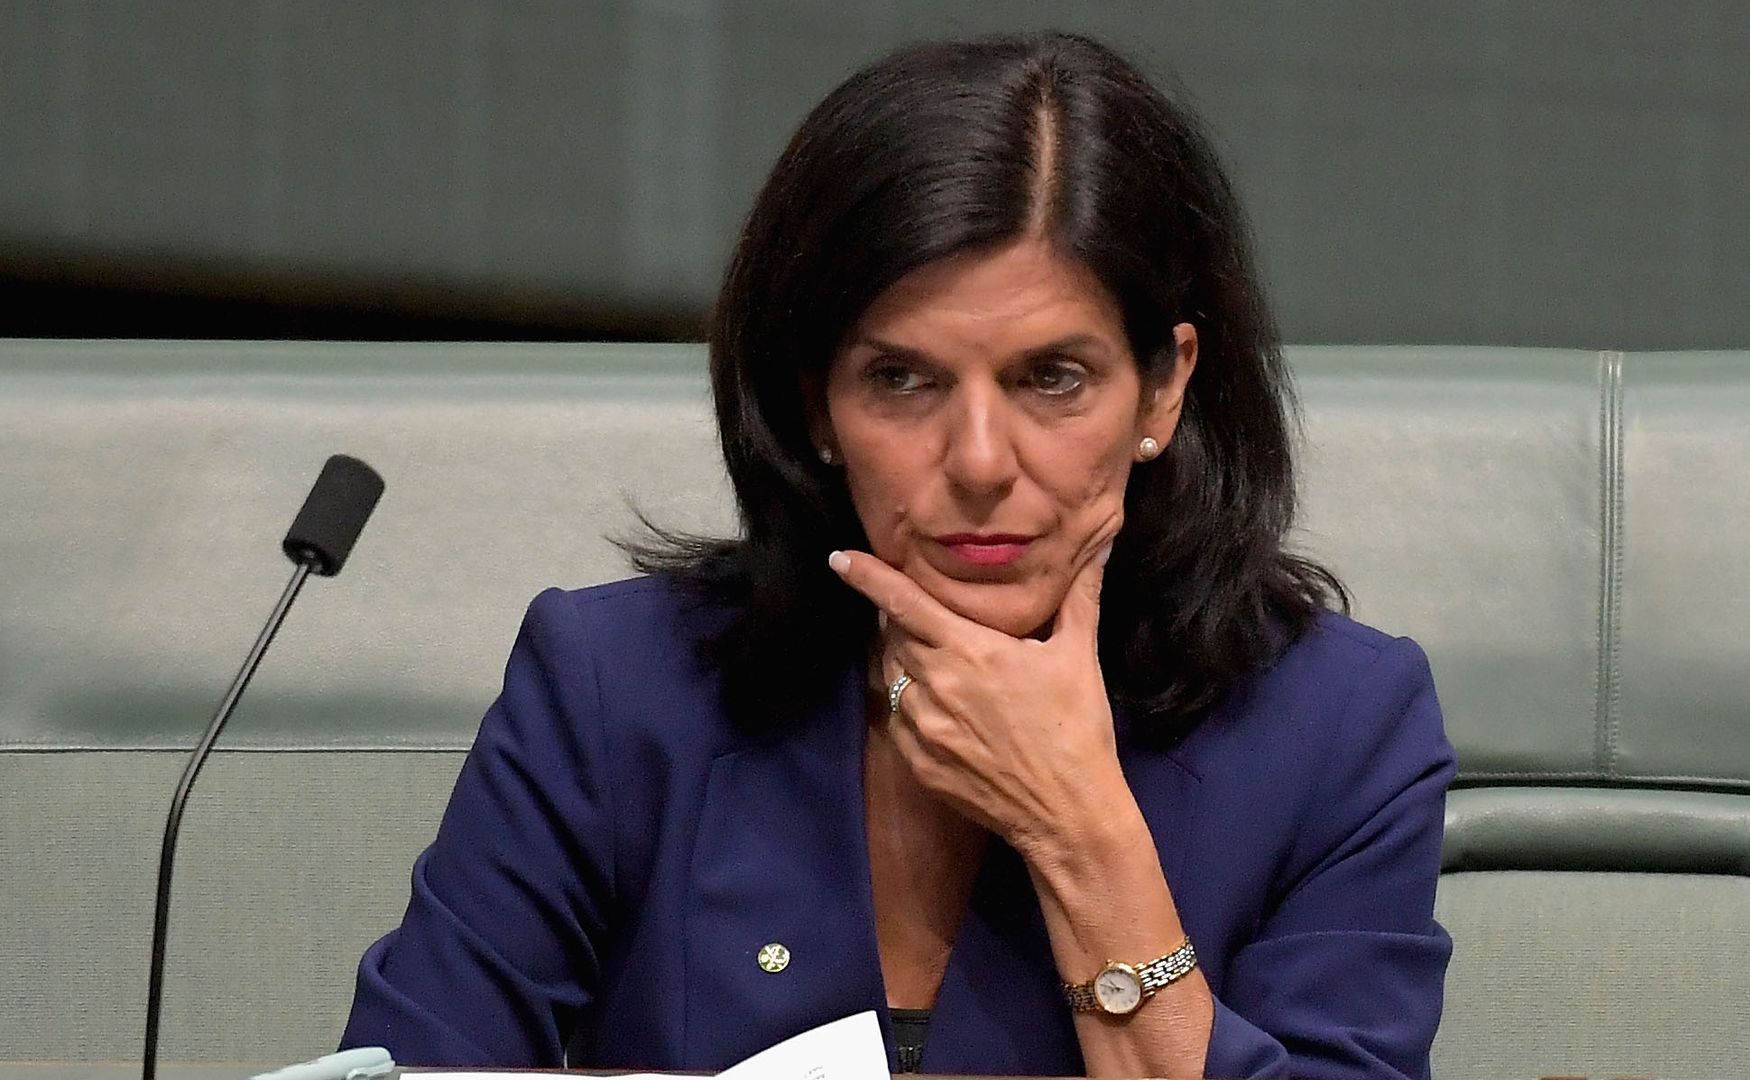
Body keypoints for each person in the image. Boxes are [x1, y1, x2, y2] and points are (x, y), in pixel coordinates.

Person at [340, 30, 1452, 1080]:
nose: (979, 461)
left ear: (1162, 390)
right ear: (817, 404)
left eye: (1052, 379)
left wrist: (1077, 828)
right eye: (902, 380)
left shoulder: (1337, 727)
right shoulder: (615, 687)